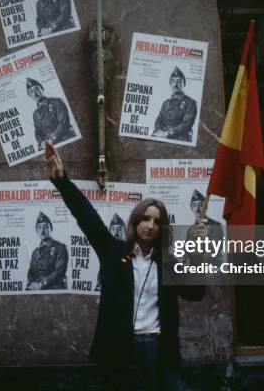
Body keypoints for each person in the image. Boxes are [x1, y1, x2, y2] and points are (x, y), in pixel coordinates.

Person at [45, 141, 207, 390]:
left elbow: (196, 293)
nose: (149, 225)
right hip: (120, 350)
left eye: (155, 221)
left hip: (159, 351)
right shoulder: (115, 253)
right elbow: (87, 217)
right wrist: (61, 181)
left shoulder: (168, 263)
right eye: (145, 218)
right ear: (135, 221)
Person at [27, 78, 76, 151]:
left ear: (42, 89)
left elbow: (63, 123)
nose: (35, 93)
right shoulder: (35, 114)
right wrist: (41, 142)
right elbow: (37, 132)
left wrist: (51, 139)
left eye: (36, 89)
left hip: (64, 139)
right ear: (29, 96)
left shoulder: (56, 102)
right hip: (49, 145)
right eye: (31, 92)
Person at [152, 67, 198, 142]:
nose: (175, 85)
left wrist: (167, 133)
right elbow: (159, 120)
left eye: (179, 82)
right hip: (163, 134)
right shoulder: (165, 103)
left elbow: (186, 125)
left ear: (184, 84)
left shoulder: (190, 103)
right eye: (173, 81)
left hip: (180, 136)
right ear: (170, 84)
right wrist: (158, 130)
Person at [26, 211, 69, 290]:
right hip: (37, 289)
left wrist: (42, 284)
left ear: (51, 228)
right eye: (39, 227)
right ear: (36, 231)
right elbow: (31, 272)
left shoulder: (60, 248)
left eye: (46, 227)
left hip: (55, 288)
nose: (42, 231)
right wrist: (31, 283)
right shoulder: (35, 252)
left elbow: (59, 272)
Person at [96, 213, 127, 292]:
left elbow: (127, 259)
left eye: (119, 229)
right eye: (113, 229)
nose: (116, 233)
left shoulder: (129, 249)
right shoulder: (106, 249)